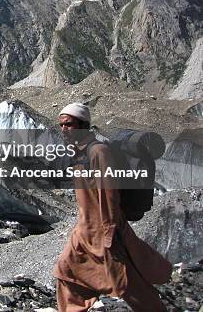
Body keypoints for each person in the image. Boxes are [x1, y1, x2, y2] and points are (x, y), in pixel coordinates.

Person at [53, 103, 171, 312]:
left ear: (83, 125)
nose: (64, 129)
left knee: (124, 282)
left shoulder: (99, 152)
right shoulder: (77, 153)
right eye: (61, 125)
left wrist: (109, 230)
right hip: (83, 230)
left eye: (69, 125)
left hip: (103, 229)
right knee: (65, 271)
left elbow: (109, 194)